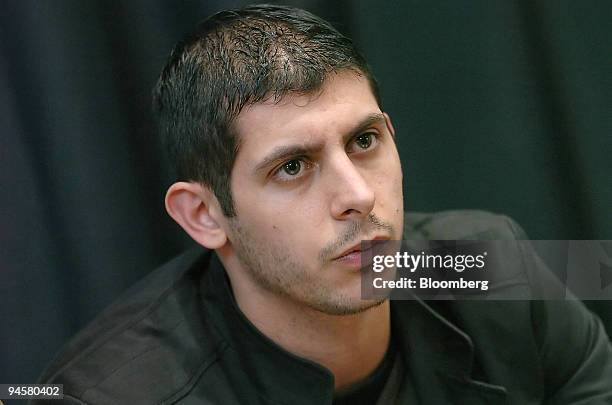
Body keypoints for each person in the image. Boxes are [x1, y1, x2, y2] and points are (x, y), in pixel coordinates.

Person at [33, 4, 612, 404]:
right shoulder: (102, 395)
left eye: (364, 142)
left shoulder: (494, 269)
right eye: (292, 167)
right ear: (204, 215)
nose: (359, 196)